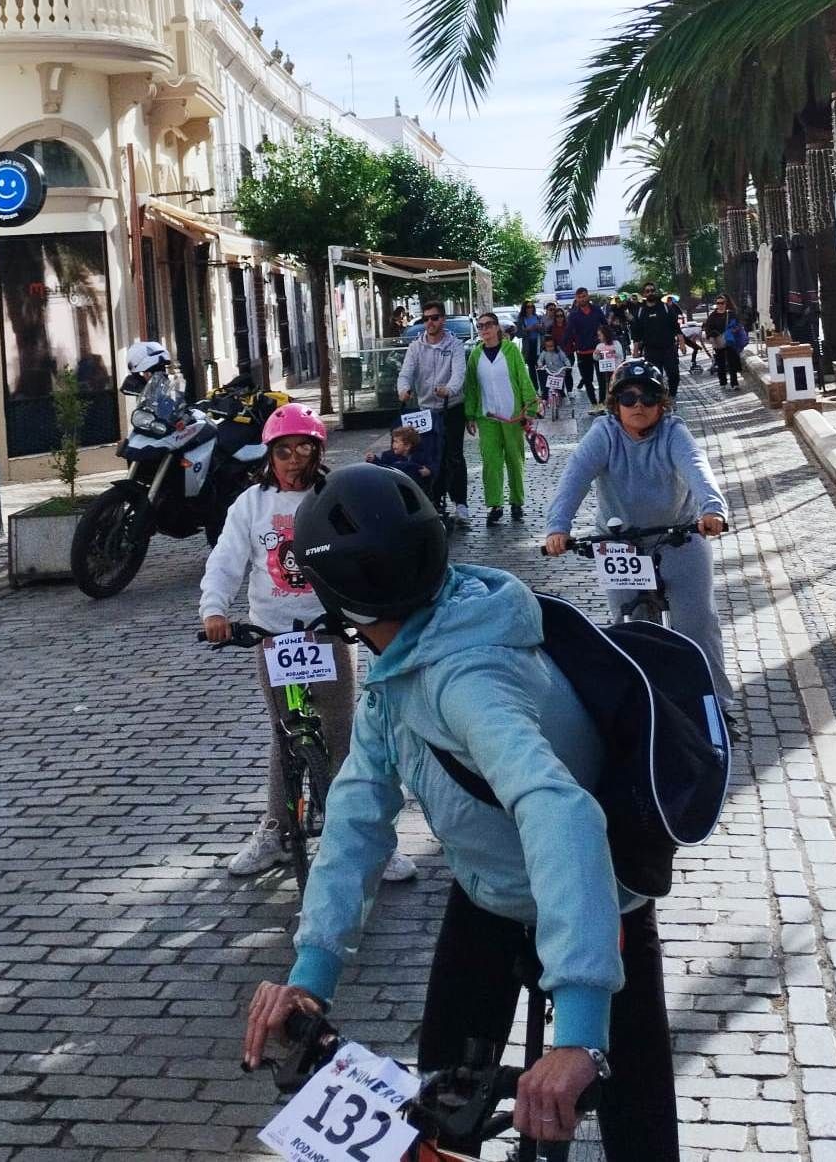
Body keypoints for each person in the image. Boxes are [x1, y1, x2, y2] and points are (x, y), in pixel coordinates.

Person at [242, 463, 681, 1159]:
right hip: (490, 892)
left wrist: (579, 1032)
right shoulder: (403, 660)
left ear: (334, 596)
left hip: (600, 899)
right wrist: (311, 974)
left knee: (638, 1130)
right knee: (436, 1106)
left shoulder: (465, 680)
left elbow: (561, 814)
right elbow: (355, 817)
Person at [198, 406, 418, 884]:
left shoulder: (334, 497)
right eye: (283, 451)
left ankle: (369, 841)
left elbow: (368, 550)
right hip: (274, 636)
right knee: (284, 734)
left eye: (304, 449)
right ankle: (275, 831)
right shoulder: (251, 505)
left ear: (318, 452)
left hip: (329, 631)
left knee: (341, 737)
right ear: (269, 456)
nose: (294, 459)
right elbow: (226, 560)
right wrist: (214, 610)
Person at [544, 359, 734, 711]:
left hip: (679, 536)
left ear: (662, 403)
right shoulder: (603, 434)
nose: (638, 405)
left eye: (647, 397)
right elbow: (574, 477)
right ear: (615, 404)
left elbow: (697, 466)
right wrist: (558, 527)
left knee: (698, 623)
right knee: (628, 626)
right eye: (628, 398)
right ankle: (640, 705)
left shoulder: (674, 432)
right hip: (619, 545)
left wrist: (713, 509)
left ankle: (716, 704)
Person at [397, 301, 471, 529]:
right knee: (429, 457)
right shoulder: (416, 347)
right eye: (426, 318)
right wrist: (403, 390)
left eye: (435, 318)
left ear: (443, 320)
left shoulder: (455, 345)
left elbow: (459, 374)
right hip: (426, 411)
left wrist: (449, 389)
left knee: (453, 456)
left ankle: (461, 503)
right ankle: (434, 500)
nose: (430, 322)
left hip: (452, 407)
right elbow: (406, 373)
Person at [464, 312, 538, 525]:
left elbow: (523, 378)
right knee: (491, 461)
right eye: (480, 326)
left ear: (497, 327)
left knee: (515, 458)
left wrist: (530, 408)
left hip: (512, 415)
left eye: (488, 325)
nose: (484, 329)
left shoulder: (511, 350)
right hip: (487, 416)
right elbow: (471, 387)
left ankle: (517, 501)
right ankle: (495, 504)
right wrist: (470, 415)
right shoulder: (475, 355)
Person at [629, 282, 685, 394]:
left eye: (652, 290)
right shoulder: (640, 311)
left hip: (669, 347)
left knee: (674, 374)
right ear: (644, 294)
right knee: (655, 377)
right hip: (651, 350)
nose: (650, 293)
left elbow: (675, 326)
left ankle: (672, 395)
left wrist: (682, 343)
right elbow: (636, 333)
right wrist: (635, 350)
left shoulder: (665, 307)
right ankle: (660, 397)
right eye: (648, 291)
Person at [564, 287, 607, 413]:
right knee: (587, 380)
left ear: (588, 296)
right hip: (582, 352)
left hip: (598, 349)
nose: (582, 299)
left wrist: (609, 341)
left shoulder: (597, 310)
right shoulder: (573, 315)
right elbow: (568, 332)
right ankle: (593, 404)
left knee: (602, 378)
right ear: (576, 299)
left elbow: (605, 326)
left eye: (584, 296)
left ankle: (602, 403)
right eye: (579, 297)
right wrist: (563, 347)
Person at [365, 425, 433, 482]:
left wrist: (428, 471)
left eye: (396, 442)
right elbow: (383, 468)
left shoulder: (420, 457)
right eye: (393, 441)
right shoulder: (387, 456)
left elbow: (430, 468)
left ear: (407, 446)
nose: (393, 444)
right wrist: (374, 460)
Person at [705, 294, 743, 390]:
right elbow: (708, 328)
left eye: (722, 303)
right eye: (718, 303)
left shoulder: (731, 314)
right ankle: (723, 382)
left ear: (725, 303)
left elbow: (739, 324)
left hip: (730, 341)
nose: (720, 305)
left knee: (732, 363)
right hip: (718, 341)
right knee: (720, 363)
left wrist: (734, 330)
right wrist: (711, 336)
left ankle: (734, 383)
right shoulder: (712, 316)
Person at [593, 323, 625, 404]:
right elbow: (596, 358)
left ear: (605, 334)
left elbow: (620, 355)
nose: (599, 337)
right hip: (605, 370)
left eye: (600, 335)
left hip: (615, 369)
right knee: (604, 386)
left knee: (615, 386)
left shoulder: (616, 343)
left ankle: (617, 401)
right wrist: (596, 354)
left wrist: (611, 352)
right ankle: (604, 401)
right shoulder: (599, 346)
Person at [536, 333, 572, 401]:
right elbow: (540, 360)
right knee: (546, 387)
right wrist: (540, 365)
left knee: (560, 389)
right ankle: (544, 400)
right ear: (545, 346)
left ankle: (563, 398)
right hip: (549, 372)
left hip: (559, 372)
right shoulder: (544, 352)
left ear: (555, 345)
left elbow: (565, 359)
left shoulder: (559, 351)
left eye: (551, 346)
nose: (550, 348)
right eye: (548, 346)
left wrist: (568, 365)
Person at [515, 300, 543, 388]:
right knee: (531, 367)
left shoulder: (537, 317)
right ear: (524, 308)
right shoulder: (521, 319)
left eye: (532, 306)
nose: (530, 308)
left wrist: (539, 328)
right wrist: (528, 329)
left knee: (540, 366)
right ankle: (535, 388)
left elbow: (543, 331)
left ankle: (543, 388)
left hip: (538, 344)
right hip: (528, 345)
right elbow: (518, 334)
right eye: (528, 307)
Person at [551, 306, 574, 391]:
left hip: (568, 354)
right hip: (557, 355)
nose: (559, 318)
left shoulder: (569, 327)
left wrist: (573, 348)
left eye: (561, 315)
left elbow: (575, 338)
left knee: (568, 373)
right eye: (557, 316)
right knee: (559, 374)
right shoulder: (551, 328)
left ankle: (570, 391)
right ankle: (561, 392)